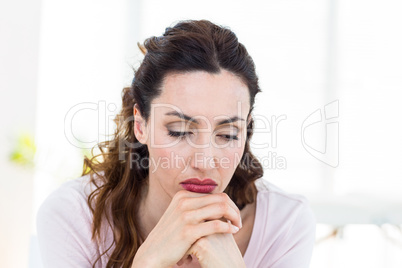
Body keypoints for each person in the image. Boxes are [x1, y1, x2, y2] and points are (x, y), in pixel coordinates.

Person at [36, 19, 316, 268]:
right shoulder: (74, 217)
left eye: (228, 134)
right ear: (140, 125)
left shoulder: (285, 224)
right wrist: (149, 262)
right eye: (180, 131)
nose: (204, 161)